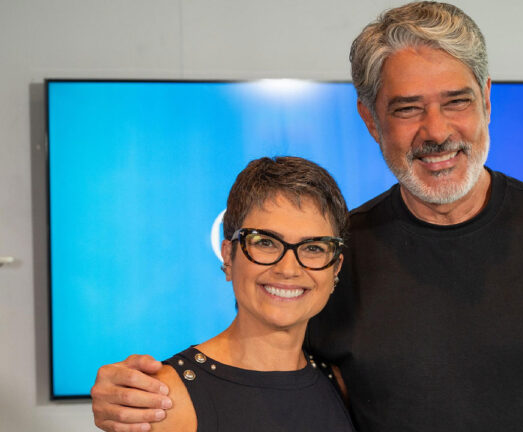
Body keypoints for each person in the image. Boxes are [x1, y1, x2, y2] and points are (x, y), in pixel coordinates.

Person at [91, 2, 523, 431]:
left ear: (488, 99)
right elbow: (258, 379)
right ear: (371, 120)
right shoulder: (332, 255)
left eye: (457, 101)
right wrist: (136, 393)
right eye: (407, 109)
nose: (438, 132)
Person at [125, 156, 356, 432]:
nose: (288, 269)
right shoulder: (163, 400)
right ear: (228, 257)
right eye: (266, 243)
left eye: (314, 248)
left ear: (335, 269)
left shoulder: (339, 386)